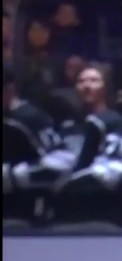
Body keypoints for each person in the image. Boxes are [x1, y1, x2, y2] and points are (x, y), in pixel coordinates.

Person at [50, 62, 122, 229]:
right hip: (64, 217)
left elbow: (110, 174)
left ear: (106, 87)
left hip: (101, 216)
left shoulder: (116, 123)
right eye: (81, 81)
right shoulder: (67, 127)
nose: (87, 86)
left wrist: (65, 183)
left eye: (94, 80)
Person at [2, 63, 75, 228]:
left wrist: (12, 176)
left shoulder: (30, 118)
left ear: (9, 90)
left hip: (21, 218)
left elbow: (63, 161)